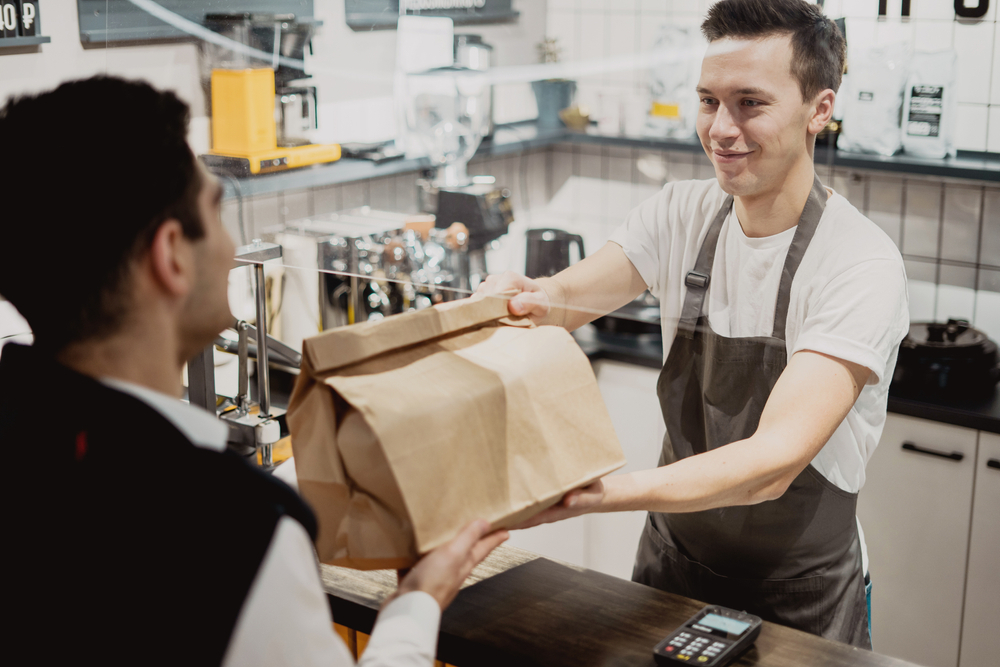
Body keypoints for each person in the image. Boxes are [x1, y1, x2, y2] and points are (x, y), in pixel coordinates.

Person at [0, 76, 508, 666]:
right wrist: (419, 598)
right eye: (217, 212)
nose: (229, 242)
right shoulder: (233, 533)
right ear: (171, 256)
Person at [480, 0, 907, 648]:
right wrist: (521, 300)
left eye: (750, 103)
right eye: (708, 100)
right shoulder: (680, 213)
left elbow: (770, 464)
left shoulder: (859, 261)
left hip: (800, 596)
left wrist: (599, 494)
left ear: (820, 109)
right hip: (670, 572)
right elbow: (564, 299)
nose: (720, 129)